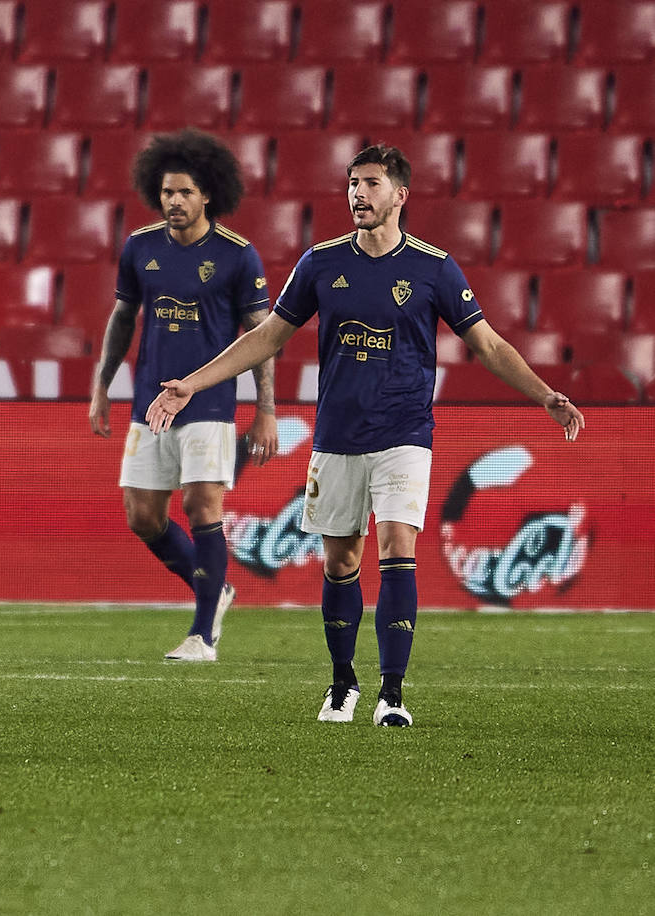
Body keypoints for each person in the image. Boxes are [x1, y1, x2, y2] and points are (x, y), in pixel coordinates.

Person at [146, 143, 585, 726]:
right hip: (338, 436)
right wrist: (192, 385)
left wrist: (545, 395)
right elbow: (268, 336)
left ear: (400, 195)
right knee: (340, 562)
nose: (358, 193)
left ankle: (393, 694)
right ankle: (342, 682)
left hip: (406, 433)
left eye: (372, 183)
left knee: (398, 548)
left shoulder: (433, 268)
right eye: (353, 183)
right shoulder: (320, 264)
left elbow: (489, 345)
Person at [89, 129, 278, 662]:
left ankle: (202, 636)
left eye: (186, 192)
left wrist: (265, 411)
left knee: (201, 505)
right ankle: (214, 591)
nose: (174, 201)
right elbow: (124, 316)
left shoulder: (239, 257)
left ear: (208, 195)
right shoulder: (140, 248)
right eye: (168, 192)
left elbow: (263, 338)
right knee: (142, 516)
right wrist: (102, 385)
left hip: (211, 404)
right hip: (149, 401)